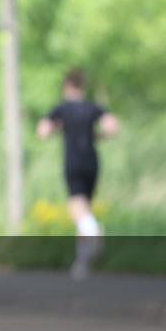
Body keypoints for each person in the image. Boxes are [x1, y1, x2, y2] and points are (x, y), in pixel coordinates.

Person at [37, 68, 119, 279]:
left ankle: (94, 232)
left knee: (77, 210)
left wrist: (56, 128)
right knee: (86, 210)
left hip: (73, 162)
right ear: (83, 87)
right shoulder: (93, 108)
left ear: (66, 87)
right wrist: (96, 135)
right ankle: (82, 263)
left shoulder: (62, 108)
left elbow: (43, 131)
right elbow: (112, 127)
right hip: (92, 162)